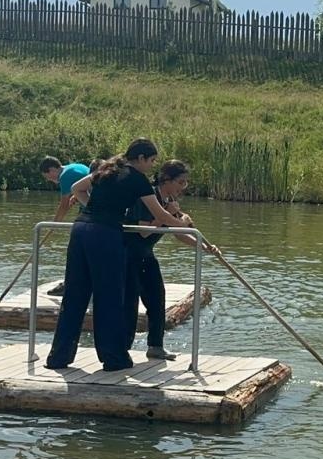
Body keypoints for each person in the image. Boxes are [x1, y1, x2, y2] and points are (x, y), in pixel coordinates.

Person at [46, 138, 191, 372]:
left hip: (80, 229)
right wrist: (182, 224)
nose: (152, 166)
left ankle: (59, 357)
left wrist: (95, 207)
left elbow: (77, 190)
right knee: (108, 297)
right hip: (104, 235)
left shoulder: (106, 169)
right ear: (141, 158)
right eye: (151, 160)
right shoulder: (137, 179)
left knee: (75, 296)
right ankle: (114, 359)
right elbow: (161, 216)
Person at [124, 160, 216, 362]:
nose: (184, 187)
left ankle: (155, 346)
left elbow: (179, 234)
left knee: (157, 300)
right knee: (129, 305)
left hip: (146, 256)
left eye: (186, 183)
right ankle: (122, 350)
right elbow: (143, 232)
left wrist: (203, 247)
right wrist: (168, 215)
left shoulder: (170, 200)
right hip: (129, 256)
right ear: (166, 180)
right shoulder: (148, 197)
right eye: (181, 182)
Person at [40, 156, 91, 223]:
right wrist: (76, 196)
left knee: (79, 228)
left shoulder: (64, 177)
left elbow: (63, 206)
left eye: (47, 176)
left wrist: (53, 225)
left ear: (52, 169)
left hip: (93, 207)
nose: (48, 179)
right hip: (97, 201)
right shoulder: (75, 166)